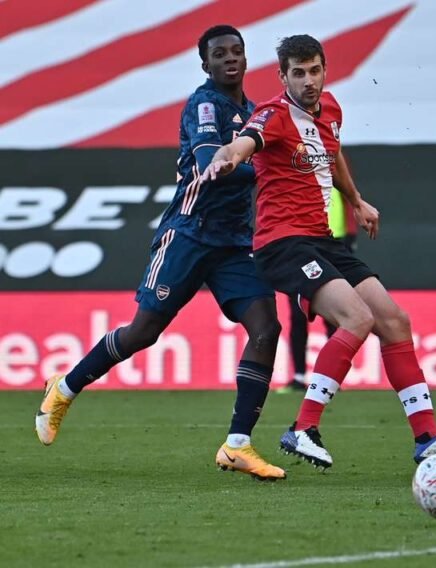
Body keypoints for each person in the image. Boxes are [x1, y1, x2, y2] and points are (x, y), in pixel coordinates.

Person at [201, 34, 436, 470]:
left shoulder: (331, 111)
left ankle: (427, 437)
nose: (309, 81)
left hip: (321, 238)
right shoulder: (273, 115)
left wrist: (357, 201)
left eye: (315, 70)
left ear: (325, 69)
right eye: (299, 73)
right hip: (282, 243)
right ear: (282, 76)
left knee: (395, 322)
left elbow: (334, 153)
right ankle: (303, 428)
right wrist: (226, 158)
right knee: (357, 319)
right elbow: (243, 144)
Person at [34, 25, 286, 481]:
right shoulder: (204, 104)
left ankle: (237, 444)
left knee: (266, 327)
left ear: (247, 59)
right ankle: (65, 387)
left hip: (234, 244)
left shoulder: (253, 114)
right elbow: (214, 163)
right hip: (189, 233)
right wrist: (261, 168)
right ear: (205, 64)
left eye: (237, 51)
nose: (230, 58)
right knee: (143, 332)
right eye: (220, 54)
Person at [279, 188, 356, 393]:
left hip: (333, 244)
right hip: (300, 245)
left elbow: (348, 195)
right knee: (297, 314)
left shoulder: (332, 159)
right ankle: (298, 376)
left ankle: (330, 378)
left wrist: (350, 234)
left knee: (333, 315)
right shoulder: (292, 165)